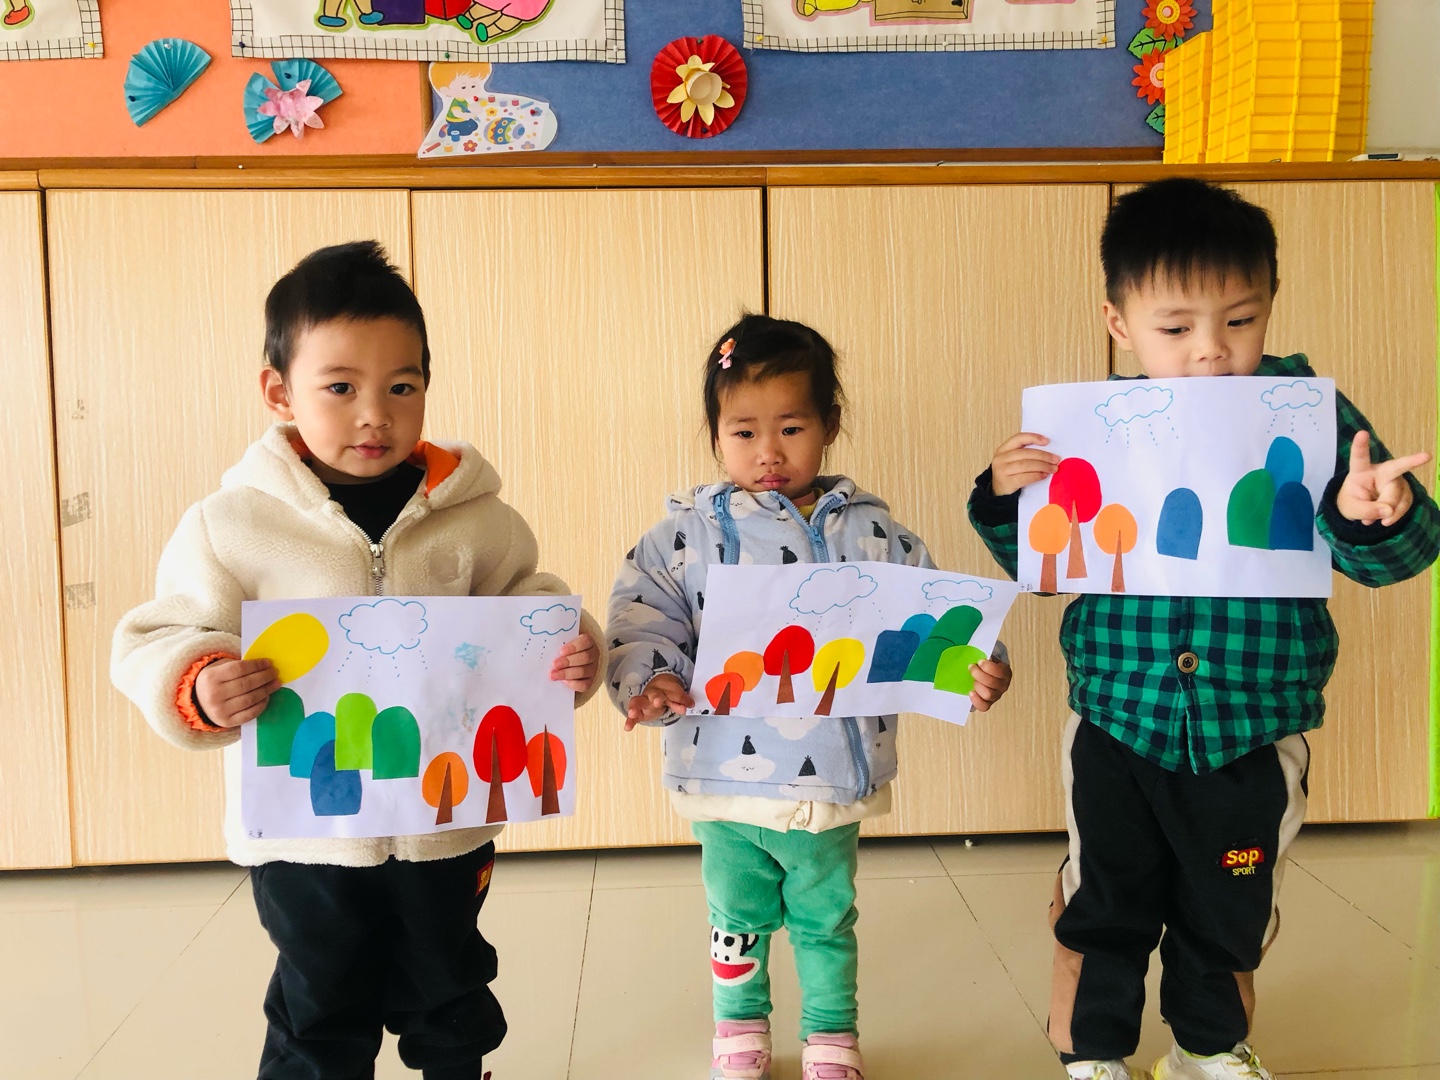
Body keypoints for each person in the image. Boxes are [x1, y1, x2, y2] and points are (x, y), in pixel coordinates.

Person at [969, 178, 1440, 1080]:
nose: (1212, 350)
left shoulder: (1311, 417)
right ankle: (1092, 1054)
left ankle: (1208, 1048)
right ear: (1118, 322)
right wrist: (1001, 497)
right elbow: (1040, 570)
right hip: (1118, 719)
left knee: (1231, 905)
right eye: (1176, 327)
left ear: (1271, 304)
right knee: (1103, 900)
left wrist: (1375, 511)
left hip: (1254, 727)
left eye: (1241, 320)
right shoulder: (1089, 428)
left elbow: (1398, 559)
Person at [112, 240, 601, 1080]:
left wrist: (569, 648)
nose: (375, 414)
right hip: (307, 838)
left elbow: (530, 603)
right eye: (340, 388)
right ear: (279, 391)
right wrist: (195, 683)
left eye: (402, 387)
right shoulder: (231, 525)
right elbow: (155, 637)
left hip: (445, 823)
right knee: (320, 1001)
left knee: (451, 984)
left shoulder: (477, 518)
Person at [606, 313, 1013, 1080]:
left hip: (829, 781)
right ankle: (739, 1029)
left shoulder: (872, 532)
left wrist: (976, 665)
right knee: (736, 921)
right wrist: (651, 679)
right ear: (715, 435)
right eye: (743, 432)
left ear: (829, 424)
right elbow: (642, 619)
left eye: (791, 428)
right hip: (722, 780)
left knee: (827, 920)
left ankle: (831, 1035)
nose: (768, 452)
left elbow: (932, 613)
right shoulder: (684, 537)